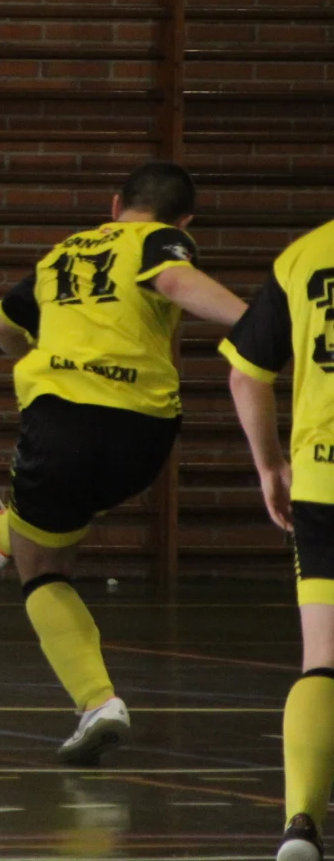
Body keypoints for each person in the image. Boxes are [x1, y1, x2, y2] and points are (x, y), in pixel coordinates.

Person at [0, 161, 246, 764]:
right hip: (146, 434)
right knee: (63, 515)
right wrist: (256, 322)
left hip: (62, 421)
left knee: (42, 569)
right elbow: (176, 282)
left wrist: (39, 358)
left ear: (115, 205)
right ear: (186, 220)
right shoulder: (164, 239)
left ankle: (97, 701)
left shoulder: (63, 256)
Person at [220, 217, 334, 861]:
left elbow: (246, 374)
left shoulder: (303, 255)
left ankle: (301, 825)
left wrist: (270, 467)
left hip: (322, 481)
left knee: (323, 661)